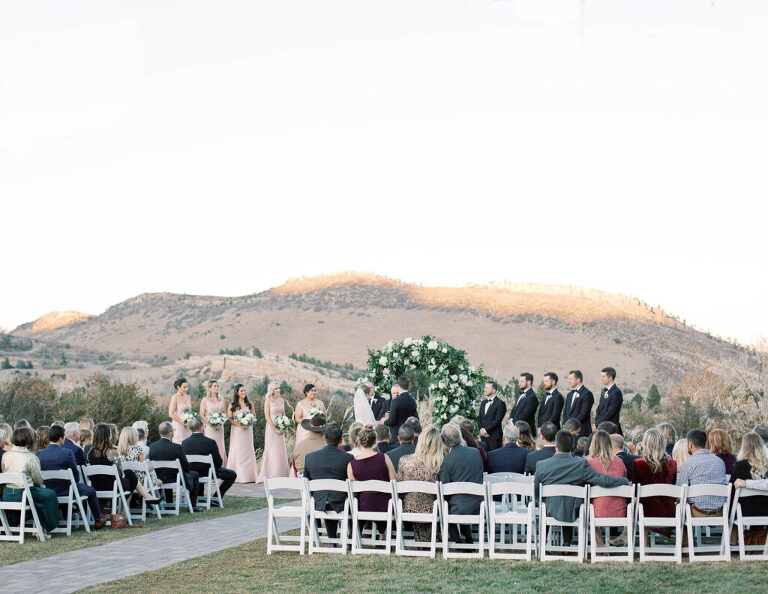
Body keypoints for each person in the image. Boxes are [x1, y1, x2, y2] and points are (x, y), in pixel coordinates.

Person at [534, 430, 629, 546]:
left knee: (550, 502)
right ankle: (566, 543)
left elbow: (536, 492)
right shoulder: (580, 464)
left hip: (548, 510)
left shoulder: (541, 465)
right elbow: (603, 480)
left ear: (556, 445)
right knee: (570, 503)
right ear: (573, 446)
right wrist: (624, 481)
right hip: (572, 511)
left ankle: (542, 545)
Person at [38, 425, 105, 529]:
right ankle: (98, 520)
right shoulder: (67, 453)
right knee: (91, 491)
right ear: (60, 438)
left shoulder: (40, 454)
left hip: (48, 490)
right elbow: (75, 474)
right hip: (67, 490)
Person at [1, 427, 60, 537]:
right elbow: (38, 480)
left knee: (41, 497)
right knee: (49, 495)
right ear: (30, 440)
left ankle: (37, 524)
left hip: (7, 493)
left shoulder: (5, 455)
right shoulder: (31, 457)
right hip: (25, 493)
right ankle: (47, 526)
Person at [89, 423, 161, 507]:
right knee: (130, 476)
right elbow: (120, 473)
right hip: (113, 486)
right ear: (109, 435)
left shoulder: (90, 452)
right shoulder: (112, 452)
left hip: (95, 485)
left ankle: (146, 497)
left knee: (130, 476)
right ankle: (125, 513)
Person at [304, 424, 354, 541]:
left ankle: (326, 539)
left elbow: (306, 480)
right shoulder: (348, 458)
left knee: (326, 496)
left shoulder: (310, 457)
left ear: (324, 438)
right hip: (340, 502)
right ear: (341, 441)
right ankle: (346, 538)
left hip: (317, 501)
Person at [396, 426, 444, 542]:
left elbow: (399, 487)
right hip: (433, 509)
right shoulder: (441, 462)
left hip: (408, 508)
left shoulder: (404, 460)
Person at [438, 423, 484, 544]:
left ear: (444, 442)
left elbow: (445, 490)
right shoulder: (475, 453)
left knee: (445, 506)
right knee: (460, 501)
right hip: (478, 505)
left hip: (458, 508)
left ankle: (458, 542)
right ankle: (468, 540)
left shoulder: (446, 460)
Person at [347, 425, 395, 537]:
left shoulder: (352, 465)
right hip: (385, 506)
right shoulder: (384, 458)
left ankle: (355, 535)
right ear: (375, 441)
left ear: (358, 440)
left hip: (364, 507)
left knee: (361, 499)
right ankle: (382, 535)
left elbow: (353, 491)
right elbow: (393, 481)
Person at [632, 428, 678, 543]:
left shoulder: (638, 464)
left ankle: (644, 548)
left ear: (645, 444)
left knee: (638, 503)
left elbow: (634, 489)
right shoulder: (672, 463)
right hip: (669, 511)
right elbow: (673, 485)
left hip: (645, 512)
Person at [586, 430, 628, 546]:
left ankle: (601, 545)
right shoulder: (620, 462)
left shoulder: (589, 463)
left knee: (584, 512)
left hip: (596, 512)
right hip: (620, 511)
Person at [182, 418, 237, 500]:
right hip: (208, 472)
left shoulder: (184, 442)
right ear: (201, 428)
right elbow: (218, 462)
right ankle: (216, 498)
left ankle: (199, 498)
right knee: (232, 474)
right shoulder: (210, 442)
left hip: (192, 472)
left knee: (197, 468)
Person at [677, 428, 727, 517]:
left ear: (690, 444)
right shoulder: (720, 462)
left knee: (680, 505)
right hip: (719, 512)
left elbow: (682, 493)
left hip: (697, 512)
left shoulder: (687, 464)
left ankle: (685, 531)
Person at [149, 422, 199, 508]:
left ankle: (170, 503)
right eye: (173, 431)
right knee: (195, 474)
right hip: (174, 478)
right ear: (170, 433)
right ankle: (193, 505)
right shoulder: (177, 447)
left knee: (166, 472)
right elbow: (186, 467)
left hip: (159, 478)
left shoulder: (153, 446)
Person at [256, 380, 290, 483]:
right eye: (276, 388)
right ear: (271, 389)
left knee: (280, 450)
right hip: (272, 429)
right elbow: (267, 416)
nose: (278, 390)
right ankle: (271, 474)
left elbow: (283, 414)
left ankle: (281, 474)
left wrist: (284, 426)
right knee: (272, 450)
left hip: (281, 429)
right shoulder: (268, 400)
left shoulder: (282, 400)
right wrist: (275, 428)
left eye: (279, 388)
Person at [226, 383, 258, 483]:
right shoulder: (232, 404)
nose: (244, 392)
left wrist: (249, 422)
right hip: (238, 430)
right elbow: (230, 419)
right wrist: (240, 425)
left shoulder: (249, 404)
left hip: (248, 430)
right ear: (237, 392)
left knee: (248, 451)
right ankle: (239, 476)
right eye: (241, 391)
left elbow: (254, 416)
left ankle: (249, 476)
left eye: (244, 390)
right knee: (239, 450)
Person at [200, 379, 228, 466]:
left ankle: (222, 467)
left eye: (217, 386)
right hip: (210, 428)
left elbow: (224, 413)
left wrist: (221, 420)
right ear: (209, 388)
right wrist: (209, 424)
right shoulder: (205, 400)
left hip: (220, 427)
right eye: (214, 386)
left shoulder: (222, 399)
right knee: (210, 446)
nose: (217, 387)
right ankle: (210, 468)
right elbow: (201, 414)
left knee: (220, 446)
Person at [383, 376, 417, 443]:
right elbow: (415, 418)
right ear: (408, 386)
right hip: (409, 436)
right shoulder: (412, 400)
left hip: (397, 437)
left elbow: (392, 421)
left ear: (398, 386)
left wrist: (384, 422)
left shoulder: (396, 401)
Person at [562, 370, 593, 438]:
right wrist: (565, 425)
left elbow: (584, 413)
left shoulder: (587, 394)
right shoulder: (569, 394)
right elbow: (565, 411)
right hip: (568, 431)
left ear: (578, 380)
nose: (569, 381)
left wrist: (572, 426)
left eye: (571, 379)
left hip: (581, 431)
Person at [477, 380, 507, 451]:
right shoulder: (483, 402)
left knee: (494, 458)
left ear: (494, 390)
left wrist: (486, 430)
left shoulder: (500, 403)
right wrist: (481, 430)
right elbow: (479, 418)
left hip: (494, 437)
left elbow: (497, 420)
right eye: (485, 387)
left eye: (487, 388)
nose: (485, 389)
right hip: (483, 437)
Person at [594, 367, 623, 435]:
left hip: (611, 428)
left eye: (603, 377)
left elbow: (611, 412)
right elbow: (599, 409)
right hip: (601, 427)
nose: (601, 378)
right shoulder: (604, 391)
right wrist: (596, 423)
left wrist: (599, 423)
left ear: (610, 378)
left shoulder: (616, 392)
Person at [169, 377, 193, 444]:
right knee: (179, 444)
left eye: (187, 387)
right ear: (178, 387)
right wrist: (183, 423)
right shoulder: (175, 397)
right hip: (178, 426)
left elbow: (190, 412)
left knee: (189, 444)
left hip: (188, 426)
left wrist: (190, 421)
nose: (186, 389)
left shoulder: (188, 397)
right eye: (184, 387)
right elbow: (170, 414)